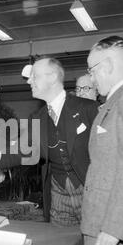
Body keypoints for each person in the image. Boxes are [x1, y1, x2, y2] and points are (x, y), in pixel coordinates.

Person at [81, 36, 123, 245]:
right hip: (105, 224)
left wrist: (114, 228)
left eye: (92, 71)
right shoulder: (116, 101)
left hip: (115, 231)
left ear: (108, 66)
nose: (91, 79)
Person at [27, 56, 98, 226]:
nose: (29, 81)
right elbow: (21, 149)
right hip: (57, 191)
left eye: (34, 76)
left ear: (52, 77)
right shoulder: (36, 117)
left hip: (89, 191)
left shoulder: (90, 109)